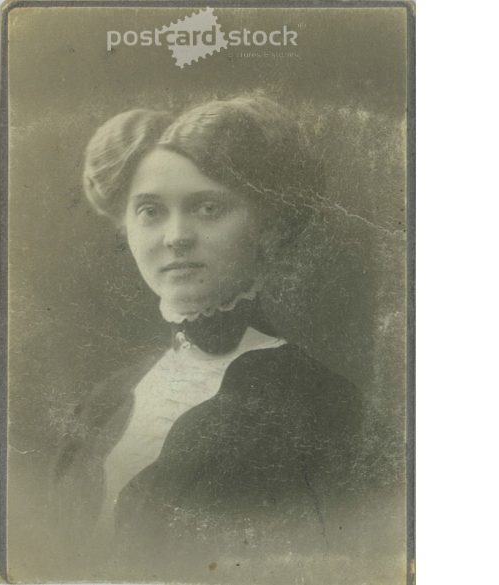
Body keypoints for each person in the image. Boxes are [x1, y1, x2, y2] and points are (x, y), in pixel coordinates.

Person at [52, 94, 364, 583]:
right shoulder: (104, 400)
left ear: (268, 225)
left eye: (208, 207)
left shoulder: (325, 406)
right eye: (151, 211)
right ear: (125, 228)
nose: (176, 236)